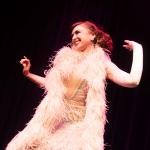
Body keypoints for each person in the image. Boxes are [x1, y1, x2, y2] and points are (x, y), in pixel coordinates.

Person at [6, 21, 143, 150]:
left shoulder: (101, 63)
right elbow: (52, 86)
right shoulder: (65, 62)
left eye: (78, 32)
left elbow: (132, 81)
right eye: (72, 34)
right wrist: (28, 74)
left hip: (76, 131)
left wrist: (138, 48)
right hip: (51, 125)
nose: (74, 37)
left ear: (92, 36)